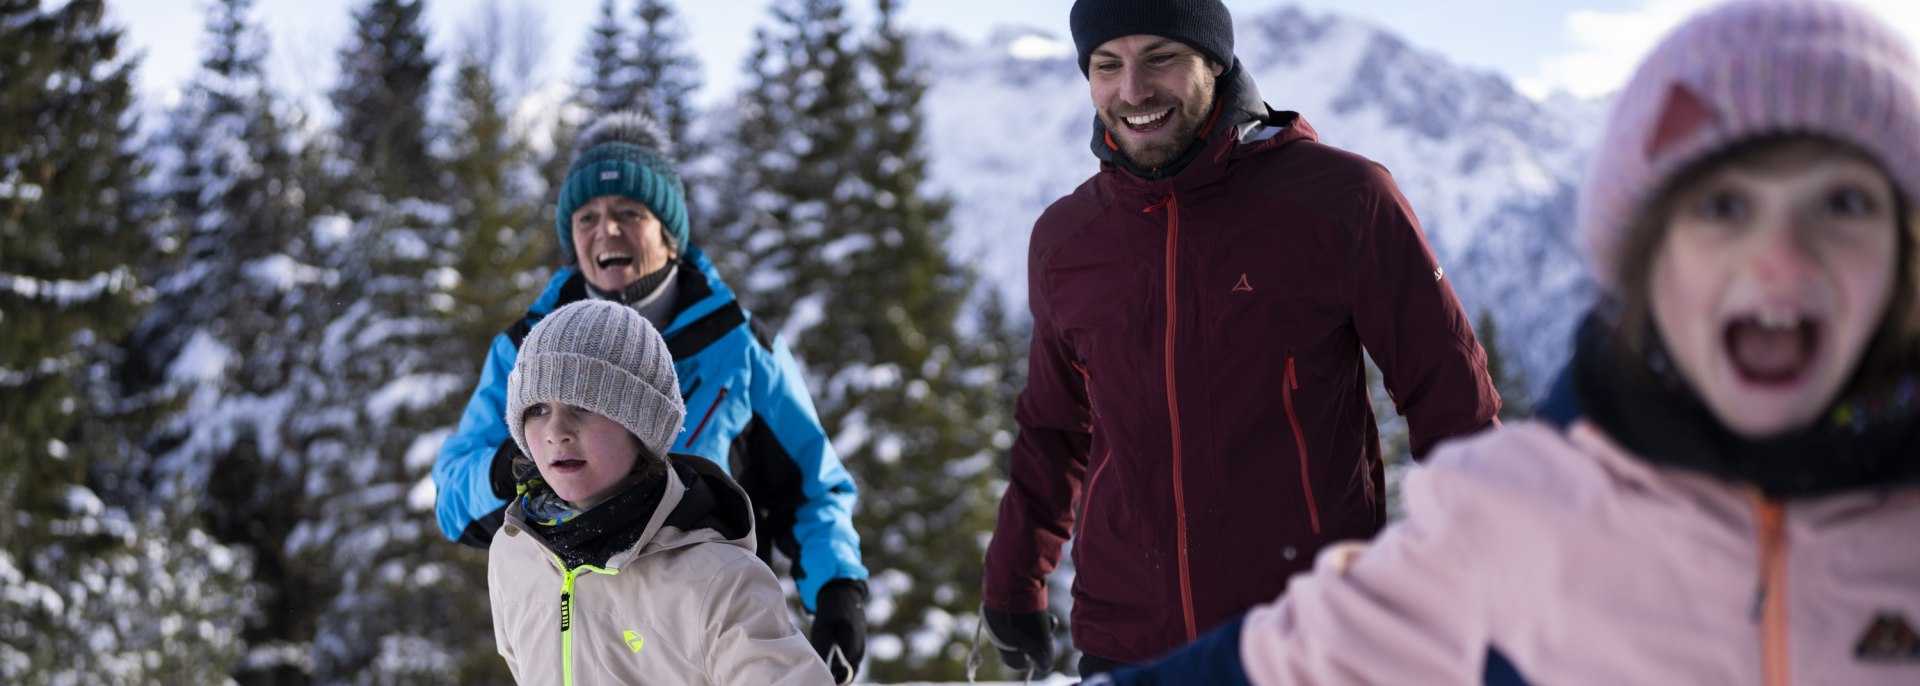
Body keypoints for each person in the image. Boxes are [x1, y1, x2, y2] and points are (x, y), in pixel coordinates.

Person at [1097, 0, 1920, 683]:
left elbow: (1438, 369)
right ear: (1645, 255)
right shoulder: (1522, 517)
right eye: (1723, 209)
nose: (1779, 263)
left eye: (1843, 205)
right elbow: (1291, 662)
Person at [979, 0, 1502, 677]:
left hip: (1309, 631)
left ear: (1215, 62)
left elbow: (1450, 396)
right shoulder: (1068, 238)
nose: (1132, 91)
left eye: (1160, 58)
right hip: (1126, 641)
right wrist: (1012, 580)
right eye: (1107, 66)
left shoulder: (1339, 199)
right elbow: (1053, 428)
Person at [434, 111, 868, 681]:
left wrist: (837, 590)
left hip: (698, 637)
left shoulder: (738, 348)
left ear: (669, 233)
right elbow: (452, 494)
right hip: (574, 630)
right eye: (587, 217)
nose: (606, 231)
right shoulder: (526, 349)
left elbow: (812, 487)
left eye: (629, 214)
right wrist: (522, 465)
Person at [488, 299, 833, 685]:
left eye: (582, 405)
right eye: (537, 409)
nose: (556, 431)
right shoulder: (512, 552)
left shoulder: (718, 580)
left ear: (641, 425)